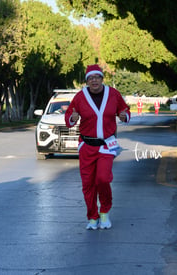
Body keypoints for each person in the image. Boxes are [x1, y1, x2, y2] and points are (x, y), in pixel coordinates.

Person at [65, 64, 131, 230]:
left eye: (97, 77)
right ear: (87, 81)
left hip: (106, 146)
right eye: (90, 78)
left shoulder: (113, 94)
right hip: (87, 146)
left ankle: (104, 212)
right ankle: (92, 217)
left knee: (102, 179)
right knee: (88, 184)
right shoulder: (80, 97)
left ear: (102, 78)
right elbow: (69, 118)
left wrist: (124, 115)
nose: (94, 80)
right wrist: (72, 117)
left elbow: (124, 110)